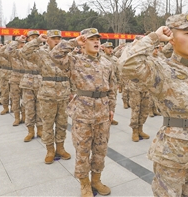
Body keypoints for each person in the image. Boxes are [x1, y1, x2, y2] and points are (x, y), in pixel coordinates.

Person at [119, 13, 188, 197]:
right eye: (186, 32)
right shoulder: (162, 69)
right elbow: (126, 64)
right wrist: (154, 37)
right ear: (172, 38)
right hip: (172, 154)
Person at [49, 28, 116, 197]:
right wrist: (73, 42)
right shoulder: (74, 61)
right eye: (91, 39)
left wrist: (112, 109)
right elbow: (54, 55)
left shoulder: (108, 63)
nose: (96, 41)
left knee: (101, 149)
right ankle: (84, 183)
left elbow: (112, 88)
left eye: (97, 39)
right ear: (83, 41)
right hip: (83, 113)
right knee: (83, 150)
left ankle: (96, 180)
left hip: (102, 113)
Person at [20, 30, 71, 164]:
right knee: (48, 123)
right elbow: (24, 53)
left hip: (64, 93)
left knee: (62, 123)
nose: (57, 41)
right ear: (47, 40)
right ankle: (50, 150)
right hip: (48, 94)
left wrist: (74, 92)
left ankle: (60, 148)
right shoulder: (41, 53)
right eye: (53, 38)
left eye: (59, 38)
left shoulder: (68, 54)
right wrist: (37, 41)